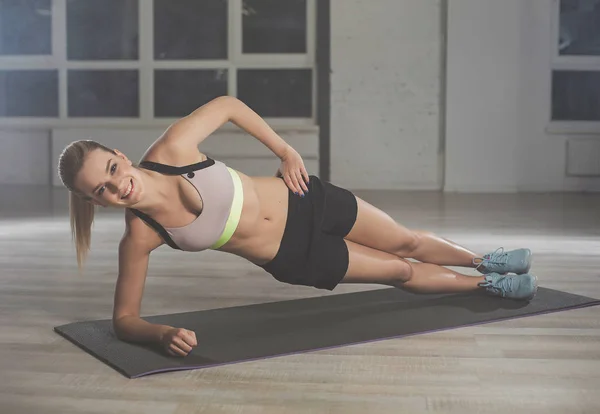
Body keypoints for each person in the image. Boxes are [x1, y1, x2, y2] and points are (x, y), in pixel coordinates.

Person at [57, 96, 538, 358]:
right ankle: (489, 285)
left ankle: (483, 259)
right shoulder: (140, 234)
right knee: (400, 271)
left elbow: (228, 105)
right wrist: (157, 334)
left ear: (120, 156)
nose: (116, 187)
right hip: (293, 255)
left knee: (407, 240)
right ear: (91, 201)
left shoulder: (174, 149)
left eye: (112, 171)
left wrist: (284, 151)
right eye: (99, 190)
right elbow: (123, 320)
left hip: (305, 198)